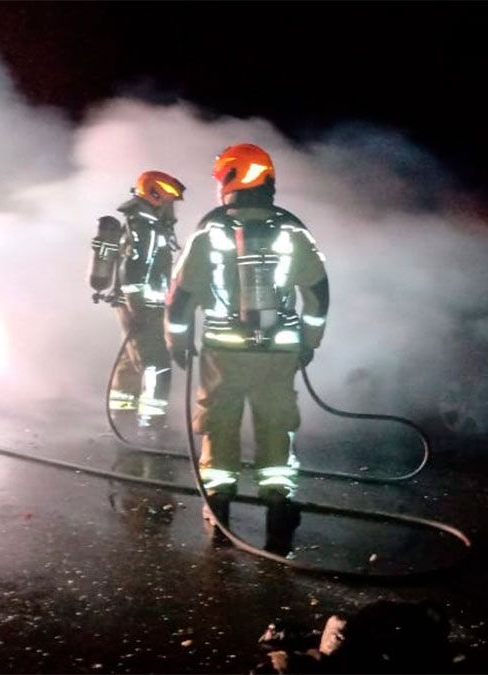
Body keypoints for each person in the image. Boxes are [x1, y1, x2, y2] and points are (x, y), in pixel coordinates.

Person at [164, 143, 329, 555]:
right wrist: (309, 343)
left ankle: (220, 515)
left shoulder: (211, 232)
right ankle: (279, 512)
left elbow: (179, 298)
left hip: (224, 353)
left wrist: (178, 344)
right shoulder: (293, 232)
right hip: (279, 353)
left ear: (233, 179)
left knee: (219, 424)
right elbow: (318, 295)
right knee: (277, 423)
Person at [92, 171, 184, 437]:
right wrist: (139, 308)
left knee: (131, 361)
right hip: (142, 307)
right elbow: (132, 272)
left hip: (139, 305)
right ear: (156, 195)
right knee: (156, 363)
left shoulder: (147, 224)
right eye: (169, 200)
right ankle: (151, 424)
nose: (172, 206)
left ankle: (122, 414)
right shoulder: (144, 227)